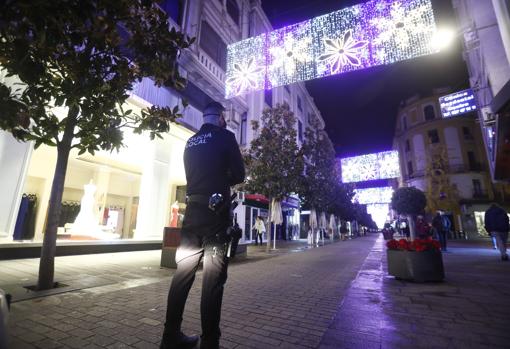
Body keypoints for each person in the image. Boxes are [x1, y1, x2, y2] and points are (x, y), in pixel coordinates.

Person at [160, 101, 245, 349]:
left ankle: (170, 336)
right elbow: (239, 175)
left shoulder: (190, 142)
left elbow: (193, 176)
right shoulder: (226, 137)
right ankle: (210, 342)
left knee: (182, 276)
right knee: (213, 280)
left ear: (203, 117)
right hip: (216, 217)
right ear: (221, 118)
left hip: (192, 216)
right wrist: (222, 177)